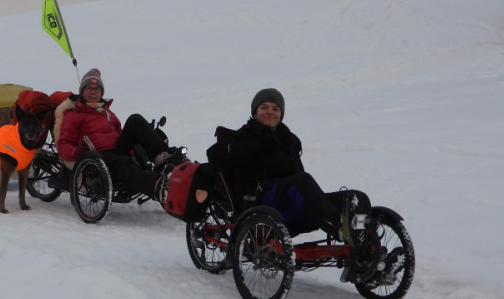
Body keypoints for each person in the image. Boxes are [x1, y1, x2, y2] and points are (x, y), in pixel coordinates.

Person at [206, 88, 384, 282]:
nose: (270, 112)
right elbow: (215, 156)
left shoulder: (287, 140)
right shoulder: (244, 135)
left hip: (289, 199)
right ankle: (339, 227)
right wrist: (259, 144)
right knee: (302, 181)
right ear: (254, 112)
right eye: (264, 107)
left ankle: (363, 254)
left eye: (275, 108)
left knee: (356, 199)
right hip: (260, 199)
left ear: (281, 113)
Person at [56, 68, 176, 200]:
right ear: (82, 92)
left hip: (116, 150)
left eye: (97, 89)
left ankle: (164, 160)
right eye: (88, 88)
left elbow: (120, 134)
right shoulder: (74, 114)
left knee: (135, 120)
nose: (93, 92)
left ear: (101, 92)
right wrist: (76, 152)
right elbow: (63, 144)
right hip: (98, 155)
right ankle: (157, 185)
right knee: (124, 163)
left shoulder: (107, 112)